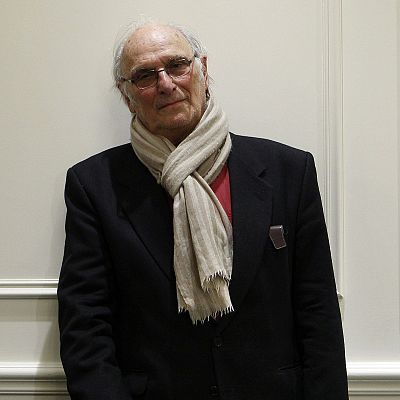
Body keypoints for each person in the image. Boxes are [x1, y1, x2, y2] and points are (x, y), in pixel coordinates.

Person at [58, 21, 348, 400]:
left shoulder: (288, 172)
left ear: (203, 70)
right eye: (145, 75)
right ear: (127, 96)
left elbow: (317, 311)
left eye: (177, 65)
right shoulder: (94, 186)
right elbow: (86, 325)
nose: (165, 83)